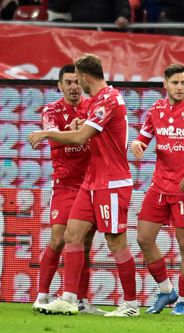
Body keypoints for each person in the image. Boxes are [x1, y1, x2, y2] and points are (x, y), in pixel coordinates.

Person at [28, 53, 138, 317]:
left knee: (115, 243)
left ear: (86, 77)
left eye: (79, 79)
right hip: (90, 182)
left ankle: (131, 304)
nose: (78, 85)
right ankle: (69, 298)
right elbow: (84, 126)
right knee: (72, 235)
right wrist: (78, 122)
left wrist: (45, 133)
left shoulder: (109, 99)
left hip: (111, 181)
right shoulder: (97, 100)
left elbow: (81, 136)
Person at [131, 64, 184, 316]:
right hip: (159, 186)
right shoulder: (155, 110)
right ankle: (167, 290)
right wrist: (136, 144)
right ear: (165, 85)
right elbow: (143, 139)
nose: (180, 87)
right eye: (176, 83)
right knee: (143, 239)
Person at [32, 64, 105, 315]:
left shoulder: (93, 106)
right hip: (64, 183)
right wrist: (70, 130)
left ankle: (81, 301)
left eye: (77, 82)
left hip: (90, 183)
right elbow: (51, 138)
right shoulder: (51, 110)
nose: (74, 87)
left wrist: (83, 128)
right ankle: (42, 295)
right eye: (69, 82)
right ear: (60, 86)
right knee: (59, 238)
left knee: (84, 243)